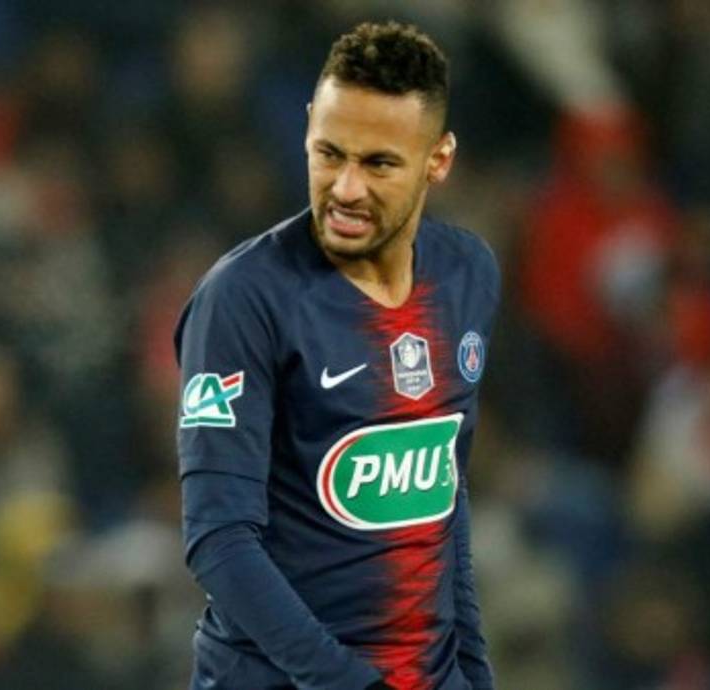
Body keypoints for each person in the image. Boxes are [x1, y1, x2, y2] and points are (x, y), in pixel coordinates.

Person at [174, 22, 497, 690]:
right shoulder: (244, 299)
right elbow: (220, 542)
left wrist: (472, 671)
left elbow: (442, 498)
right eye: (329, 154)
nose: (346, 189)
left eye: (379, 163)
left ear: (438, 161)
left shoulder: (467, 274)